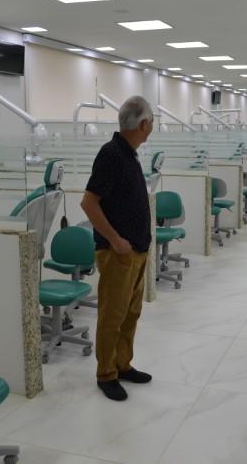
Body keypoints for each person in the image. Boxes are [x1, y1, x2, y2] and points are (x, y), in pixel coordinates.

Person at [80, 95, 154, 401]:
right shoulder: (111, 154)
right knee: (113, 315)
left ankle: (123, 364)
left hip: (136, 251)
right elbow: (89, 203)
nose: (152, 126)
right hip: (118, 254)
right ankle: (106, 374)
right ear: (144, 124)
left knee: (130, 314)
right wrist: (115, 240)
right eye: (152, 121)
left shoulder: (129, 153)